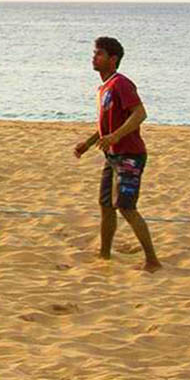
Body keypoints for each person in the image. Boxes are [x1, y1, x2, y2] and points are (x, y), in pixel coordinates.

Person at [73, 37, 161, 273]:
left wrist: (116, 136)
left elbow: (140, 113)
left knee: (126, 207)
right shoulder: (104, 87)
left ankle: (152, 260)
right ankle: (104, 253)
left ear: (113, 59)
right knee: (105, 206)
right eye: (94, 53)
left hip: (130, 155)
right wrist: (89, 143)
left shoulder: (121, 83)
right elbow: (105, 126)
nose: (94, 57)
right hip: (111, 156)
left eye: (99, 54)